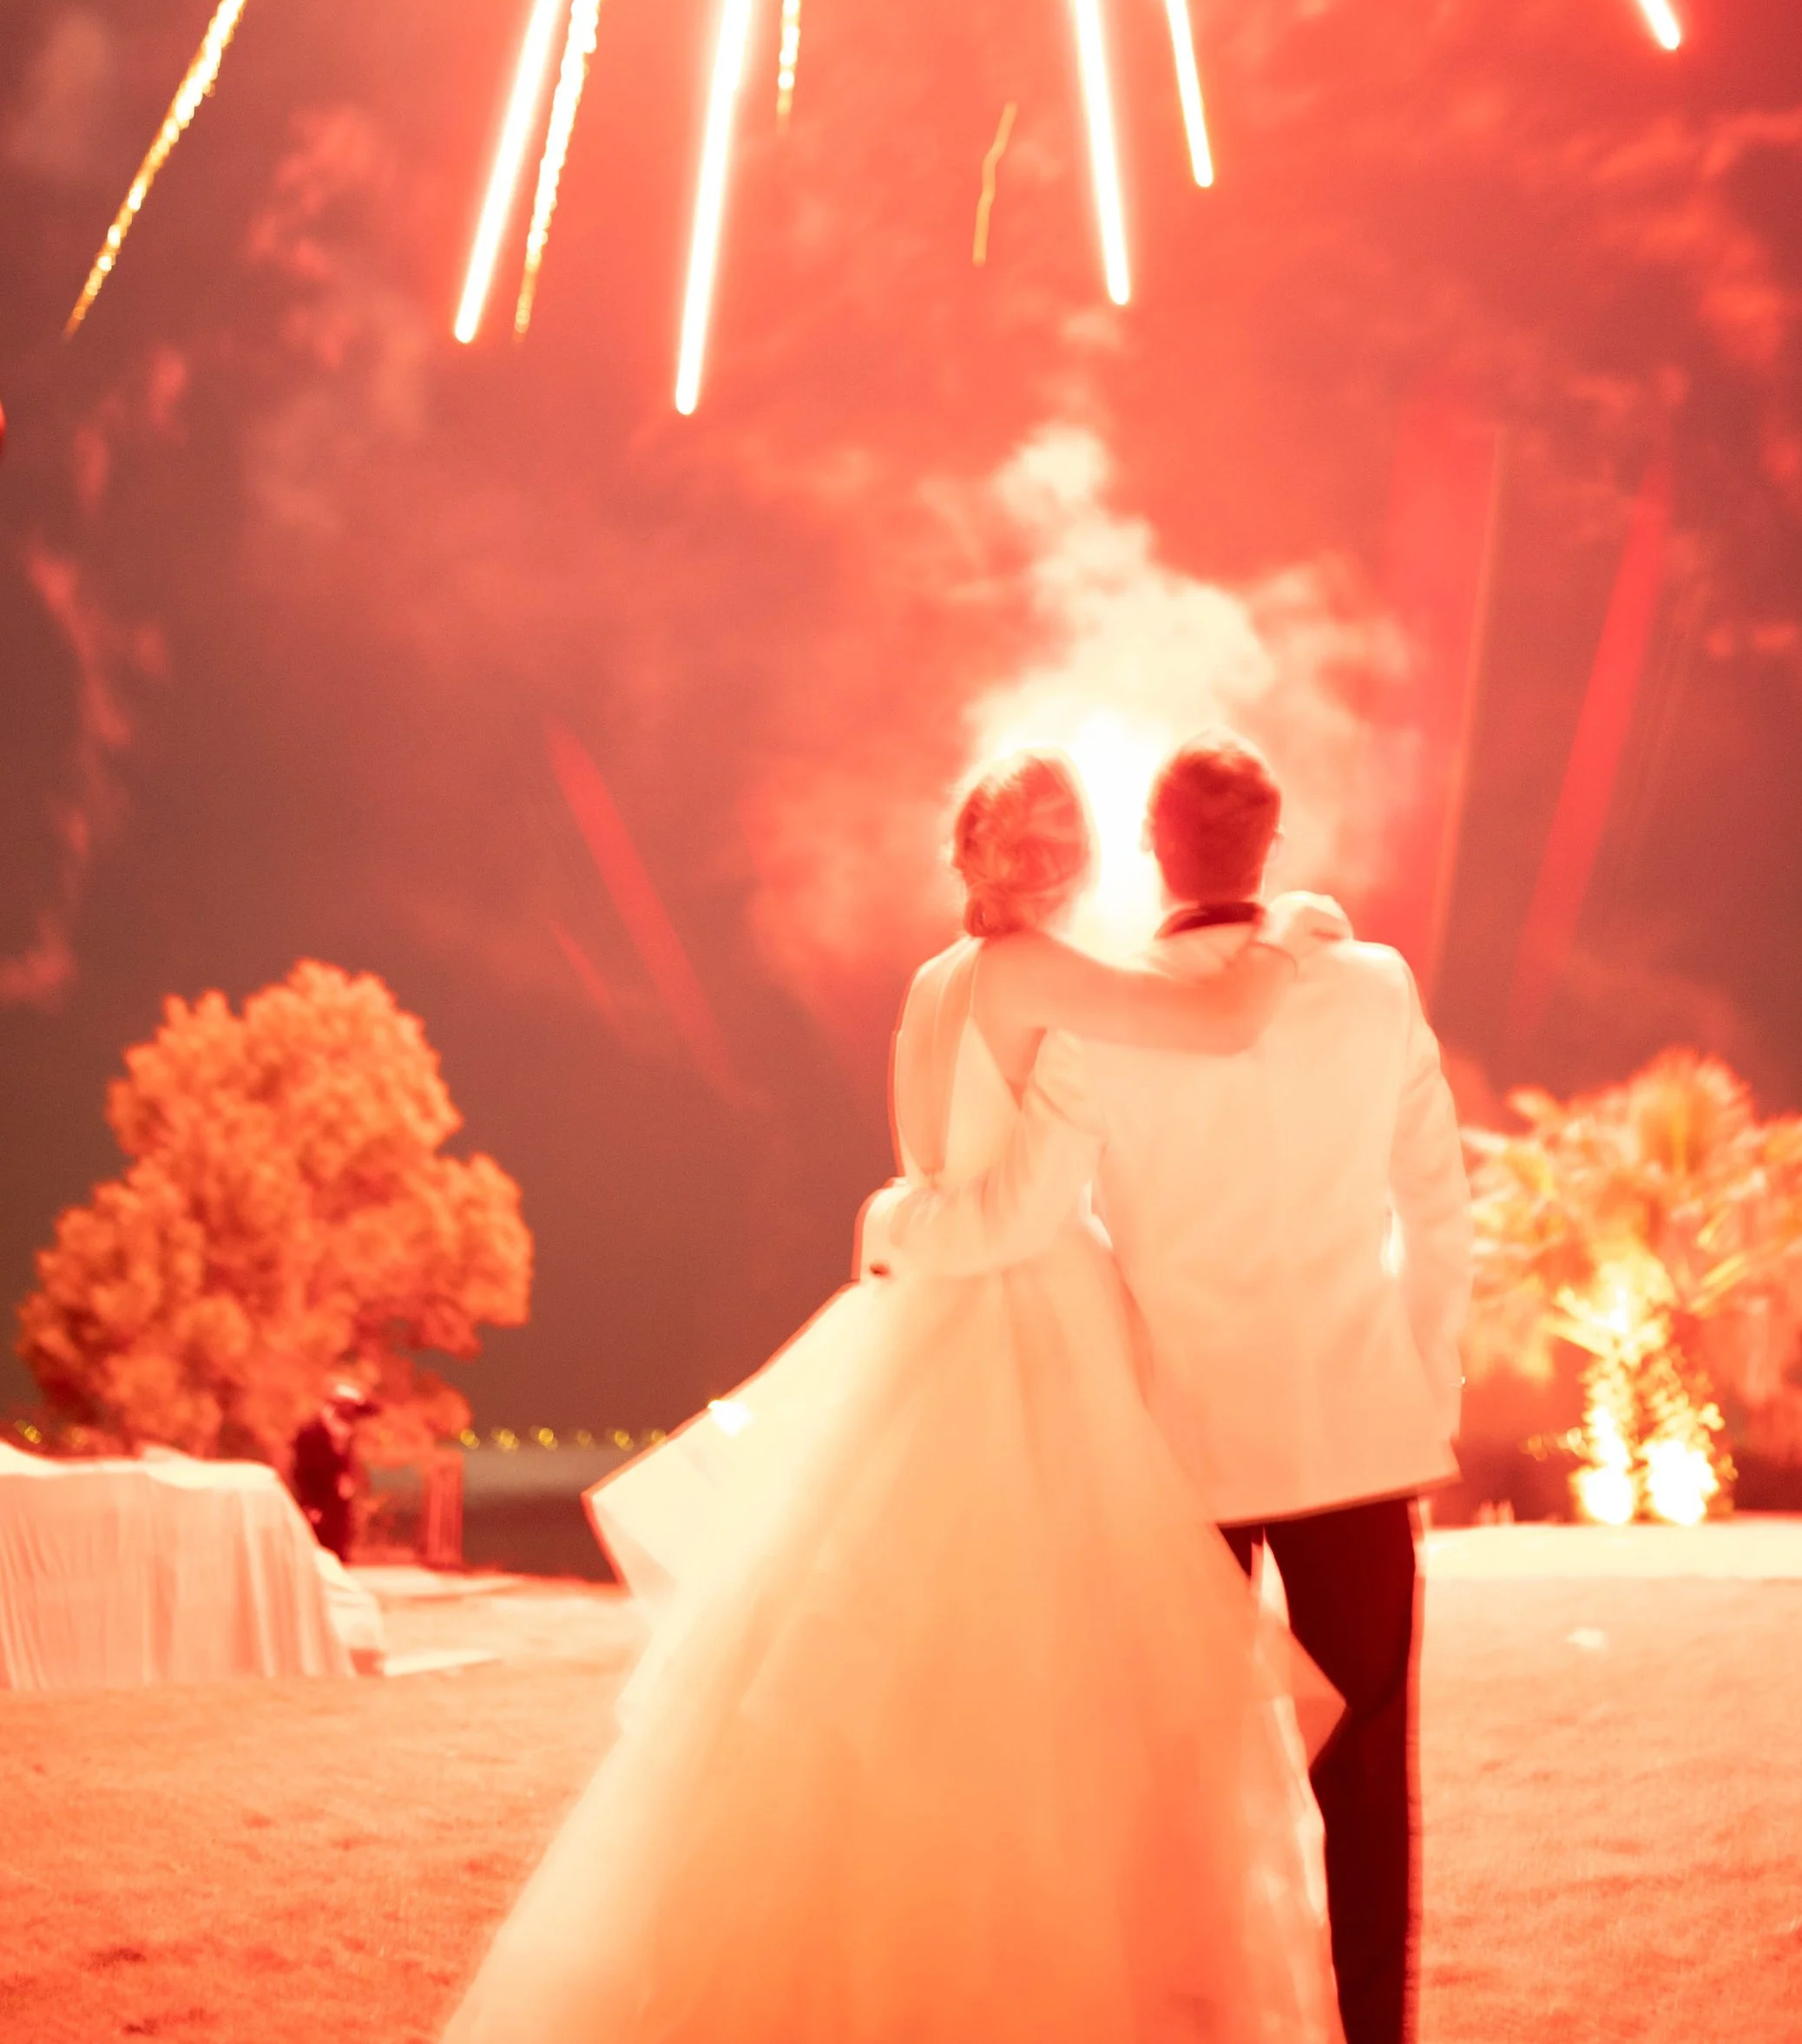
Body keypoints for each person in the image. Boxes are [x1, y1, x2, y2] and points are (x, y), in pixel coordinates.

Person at [445, 747, 1339, 2044]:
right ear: (1064, 857)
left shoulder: (936, 981)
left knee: (906, 1681)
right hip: (1032, 1343)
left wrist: (904, 1224)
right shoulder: (1035, 970)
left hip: (940, 1338)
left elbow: (931, 1180)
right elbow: (1212, 1029)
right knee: (1049, 1684)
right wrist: (1296, 928)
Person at [865, 733, 1474, 2044]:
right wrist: (1428, 1386)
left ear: (1150, 848)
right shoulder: (1371, 984)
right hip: (1358, 1436)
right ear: (1275, 842)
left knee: (1179, 1784)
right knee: (1366, 1774)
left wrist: (902, 1226)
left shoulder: (1098, 1012)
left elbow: (1035, 1197)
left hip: (1179, 1450)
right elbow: (1438, 1208)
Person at [289, 1378, 373, 1561]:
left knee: (337, 1558)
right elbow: (301, 1473)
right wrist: (310, 1505)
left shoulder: (345, 1436)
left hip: (339, 1511)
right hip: (316, 1512)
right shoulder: (311, 1435)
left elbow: (345, 1472)